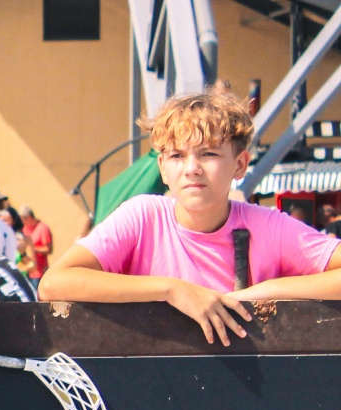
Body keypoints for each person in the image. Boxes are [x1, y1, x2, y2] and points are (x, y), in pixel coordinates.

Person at [38, 89, 341, 344]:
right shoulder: (142, 218)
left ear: (239, 164)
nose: (191, 168)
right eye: (177, 156)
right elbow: (53, 283)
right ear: (162, 168)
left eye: (208, 154)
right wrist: (171, 290)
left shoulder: (267, 226)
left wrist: (264, 293)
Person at [20, 206, 53, 279]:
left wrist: (32, 249)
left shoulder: (42, 227)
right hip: (28, 272)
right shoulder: (24, 229)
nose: (22, 223)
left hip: (41, 271)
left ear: (29, 217)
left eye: (22, 220)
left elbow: (48, 249)